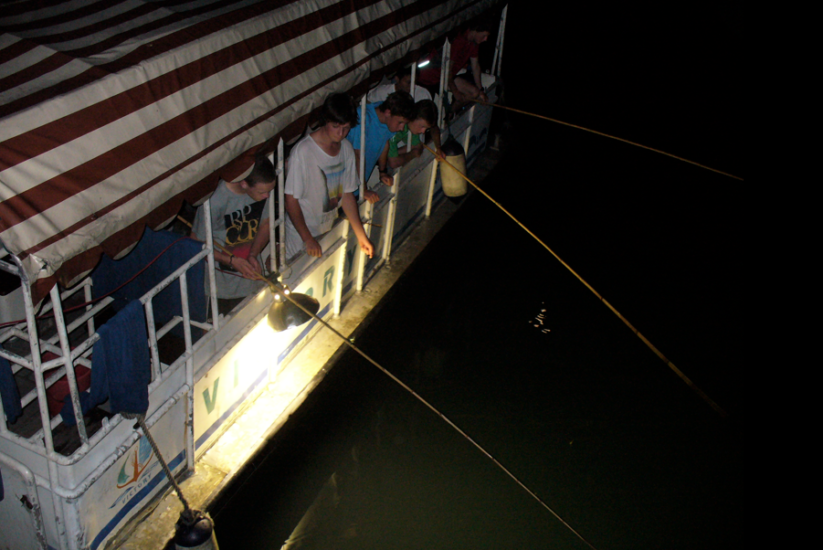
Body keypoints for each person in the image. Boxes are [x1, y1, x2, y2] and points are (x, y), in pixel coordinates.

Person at [284, 93, 374, 261]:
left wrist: (361, 236)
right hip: (301, 234)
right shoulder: (302, 152)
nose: (341, 133)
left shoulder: (346, 149)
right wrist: (308, 239)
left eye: (346, 128)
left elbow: (346, 195)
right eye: (336, 126)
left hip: (328, 228)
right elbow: (291, 200)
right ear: (325, 120)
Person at [192, 156, 276, 312]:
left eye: (270, 191)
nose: (268, 197)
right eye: (263, 192)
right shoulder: (214, 200)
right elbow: (196, 243)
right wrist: (231, 261)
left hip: (249, 277)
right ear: (243, 183)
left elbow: (265, 224)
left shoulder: (262, 192)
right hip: (219, 284)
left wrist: (253, 254)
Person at [346, 91, 414, 202]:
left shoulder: (388, 118)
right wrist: (363, 189)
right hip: (347, 187)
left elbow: (385, 142)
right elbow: (357, 156)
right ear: (388, 113)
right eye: (400, 123)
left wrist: (382, 172)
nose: (402, 128)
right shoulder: (362, 119)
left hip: (360, 183)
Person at [417, 19, 492, 114]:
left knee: (474, 93)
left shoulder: (474, 43)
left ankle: (450, 114)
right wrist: (455, 91)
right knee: (427, 110)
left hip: (447, 77)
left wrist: (481, 90)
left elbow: (475, 66)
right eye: (484, 36)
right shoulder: (458, 40)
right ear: (476, 30)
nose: (486, 39)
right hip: (431, 78)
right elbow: (447, 70)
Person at [384, 100, 444, 170]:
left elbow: (417, 146)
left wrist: (438, 148)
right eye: (422, 126)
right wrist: (413, 154)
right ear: (414, 117)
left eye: (426, 129)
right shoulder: (394, 128)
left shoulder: (410, 128)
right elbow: (393, 163)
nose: (423, 131)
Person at [367, 67, 432, 103]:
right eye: (408, 82)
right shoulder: (381, 92)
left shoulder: (423, 94)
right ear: (397, 79)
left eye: (414, 82)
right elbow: (367, 104)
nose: (412, 86)